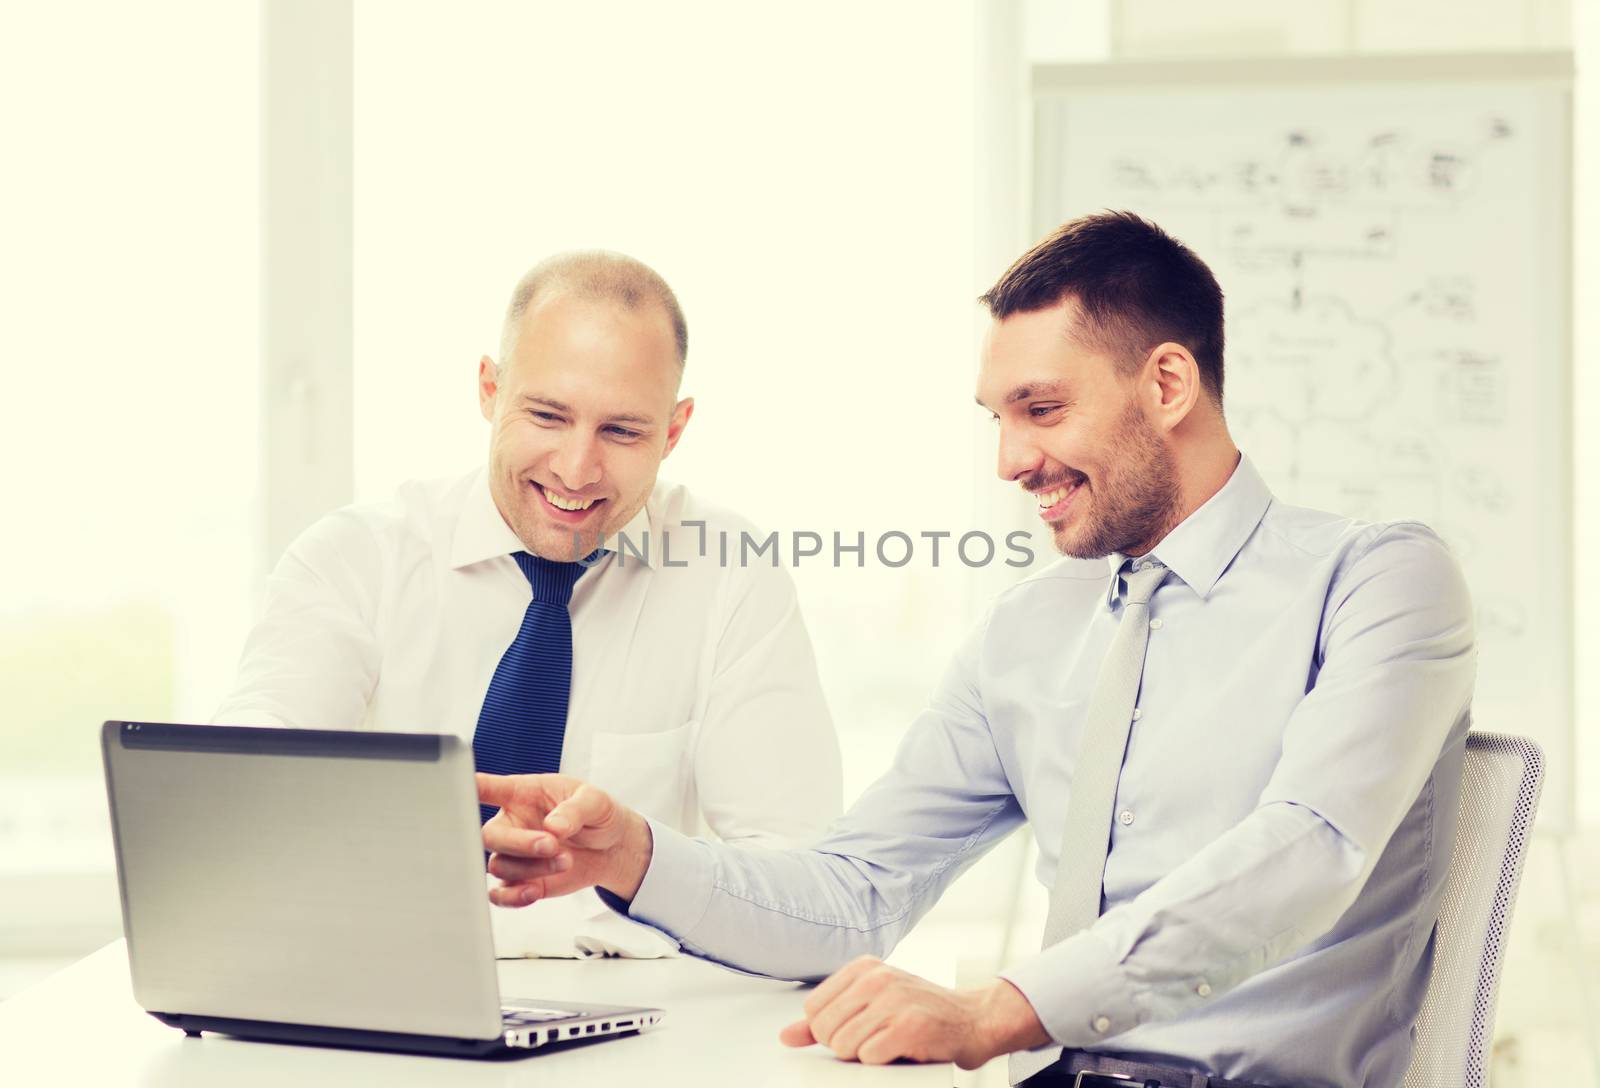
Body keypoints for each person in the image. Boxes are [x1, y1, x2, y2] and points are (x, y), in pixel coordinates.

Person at [473, 213, 1475, 1087]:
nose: (1010, 460)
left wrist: (1000, 1009)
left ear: (1167, 381)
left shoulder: (1378, 580)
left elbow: (1307, 852)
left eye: (1041, 409)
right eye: (999, 419)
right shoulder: (1028, 631)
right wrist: (637, 854)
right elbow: (853, 892)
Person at [216, 251, 843, 955]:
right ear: (489, 389)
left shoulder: (729, 574)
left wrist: (639, 858)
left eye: (622, 431)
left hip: (635, 1023)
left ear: (674, 430)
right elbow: (248, 784)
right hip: (386, 980)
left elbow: (806, 895)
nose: (577, 470)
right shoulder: (357, 559)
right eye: (547, 415)